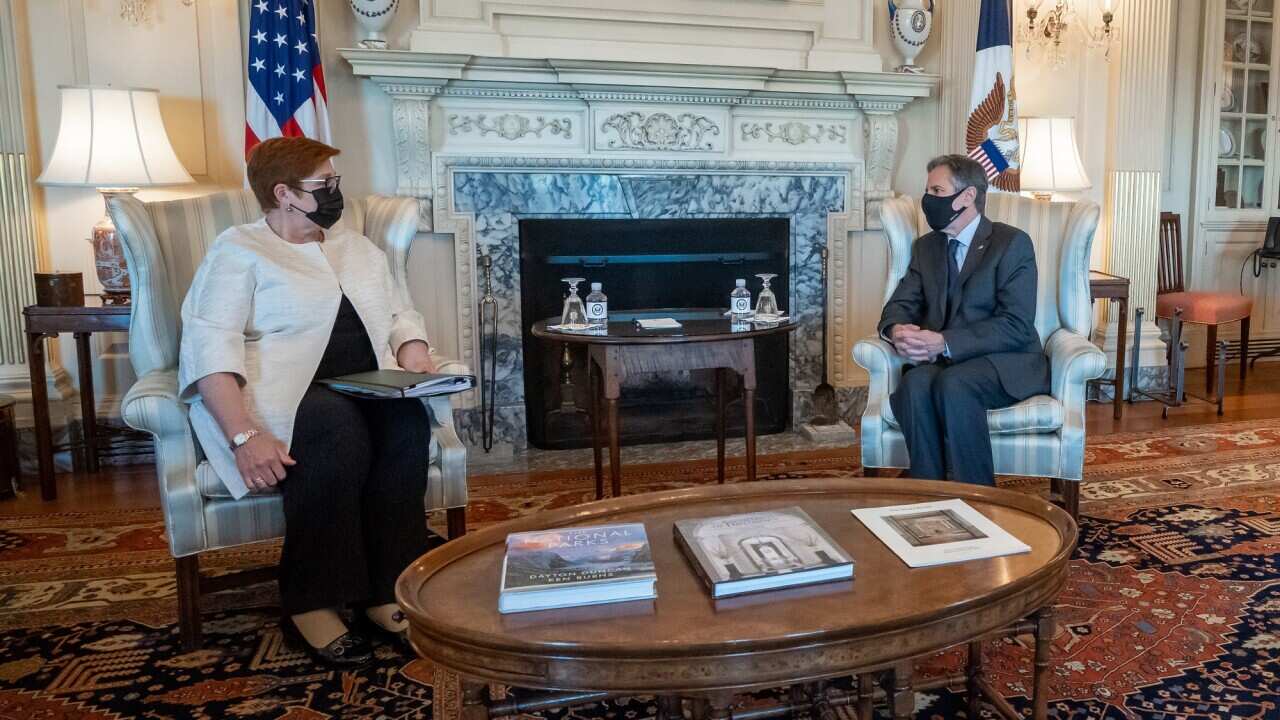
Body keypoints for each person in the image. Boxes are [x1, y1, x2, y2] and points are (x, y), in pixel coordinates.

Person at [178, 137, 437, 666]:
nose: (338, 193)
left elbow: (399, 313)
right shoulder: (238, 250)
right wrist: (244, 435)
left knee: (407, 423)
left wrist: (413, 351)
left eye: (336, 182)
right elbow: (208, 347)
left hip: (367, 382)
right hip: (287, 396)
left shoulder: (356, 248)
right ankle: (311, 604)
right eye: (326, 185)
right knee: (336, 431)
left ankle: (385, 592)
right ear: (284, 194)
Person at [877, 154, 1049, 486]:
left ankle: (978, 498)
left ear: (967, 196)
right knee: (913, 383)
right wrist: (897, 330)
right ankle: (928, 491)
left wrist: (943, 342)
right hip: (948, 362)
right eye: (927, 191)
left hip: (1006, 362)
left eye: (937, 191)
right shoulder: (927, 248)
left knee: (954, 384)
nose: (927, 201)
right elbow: (898, 306)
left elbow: (1016, 324)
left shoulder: (1011, 243)